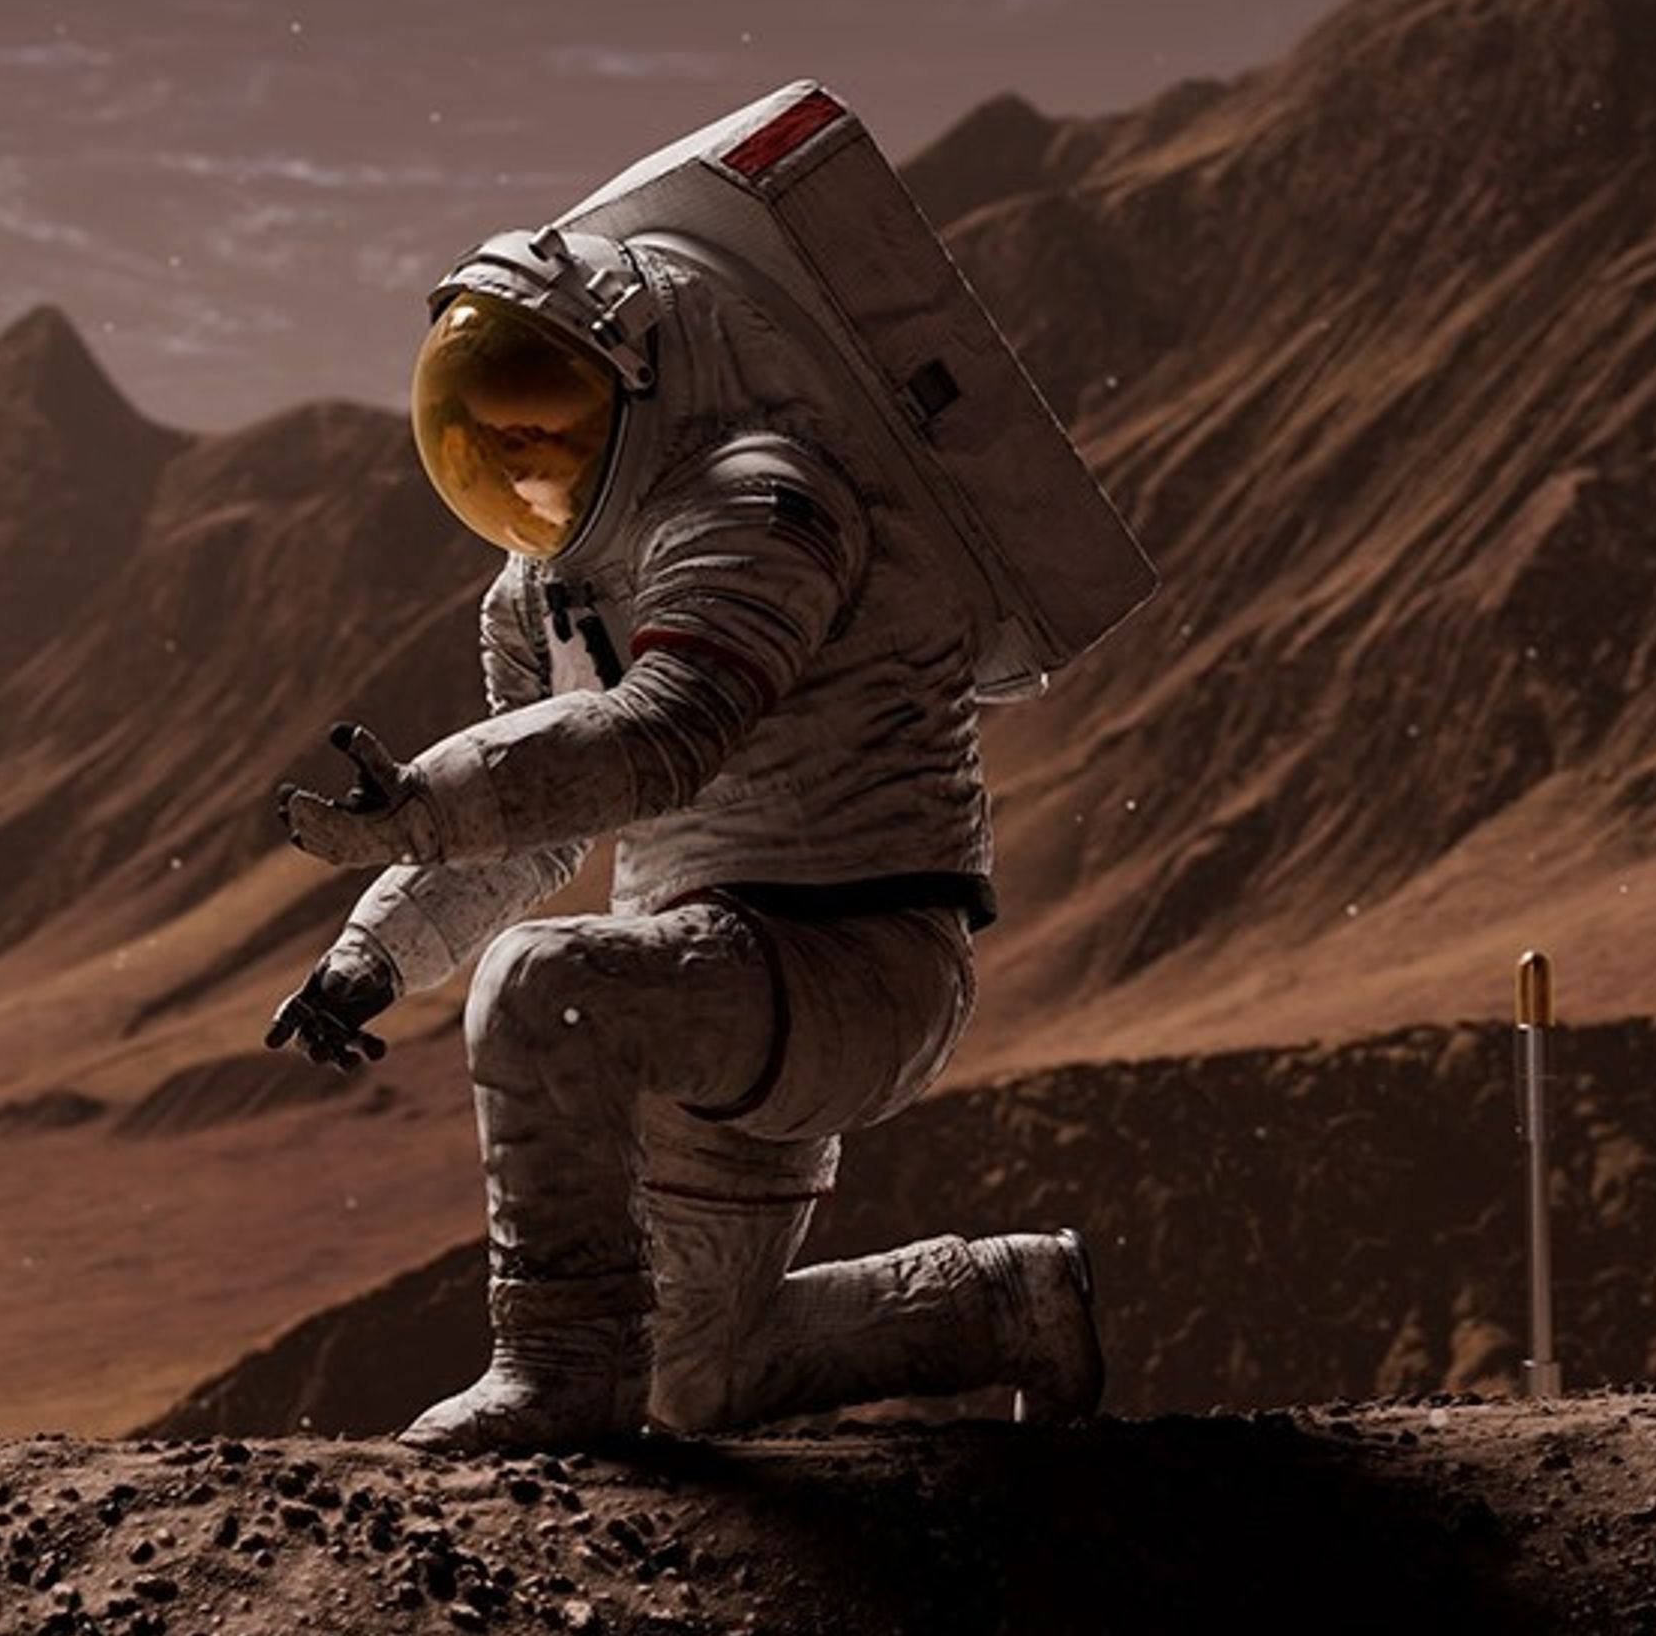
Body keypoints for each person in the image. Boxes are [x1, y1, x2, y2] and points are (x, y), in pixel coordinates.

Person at [263, 92, 1121, 1455]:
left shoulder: (772, 498)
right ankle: (1008, 1301)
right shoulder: (541, 596)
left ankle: (554, 1371)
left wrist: (421, 801)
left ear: (649, 373)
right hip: (713, 979)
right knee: (704, 1375)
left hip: (852, 956)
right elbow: (534, 831)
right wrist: (370, 959)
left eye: (547, 413)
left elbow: (665, 732)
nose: (524, 459)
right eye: (494, 429)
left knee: (547, 992)